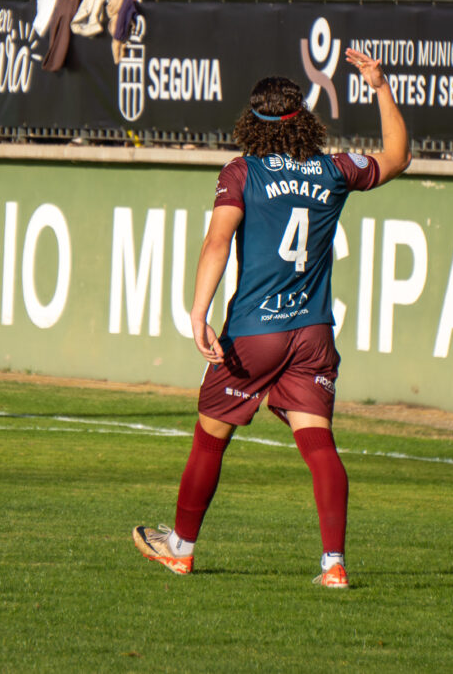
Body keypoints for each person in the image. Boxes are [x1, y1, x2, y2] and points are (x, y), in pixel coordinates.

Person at [132, 52, 410, 586]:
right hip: (312, 334)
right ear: (304, 120)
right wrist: (379, 86)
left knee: (210, 439)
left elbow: (217, 242)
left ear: (250, 124)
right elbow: (397, 157)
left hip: (254, 334)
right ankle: (334, 565)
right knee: (319, 444)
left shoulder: (242, 171)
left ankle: (181, 548)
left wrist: (198, 312)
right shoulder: (335, 169)